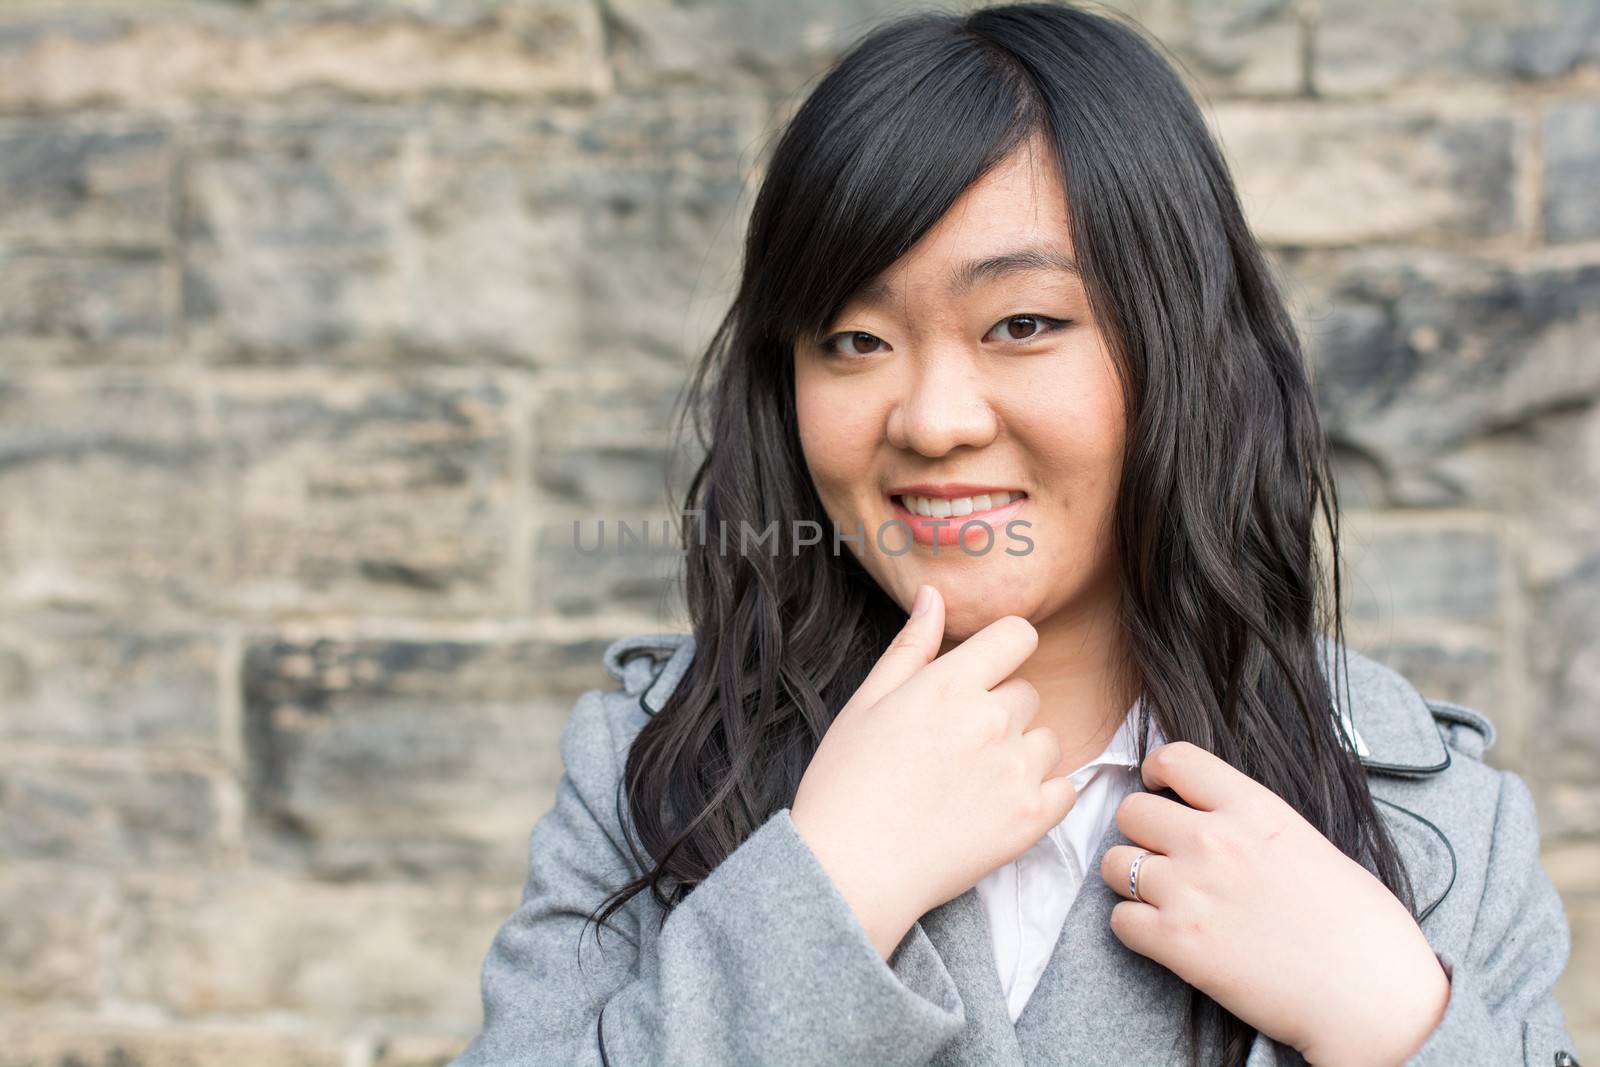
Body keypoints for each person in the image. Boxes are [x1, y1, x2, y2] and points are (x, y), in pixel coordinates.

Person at [451, 3, 1581, 1064]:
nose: (934, 421)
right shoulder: (657, 761)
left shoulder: (1428, 813)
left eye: (1023, 323)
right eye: (851, 339)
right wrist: (826, 886)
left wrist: (1395, 1017)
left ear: (1179, 348)